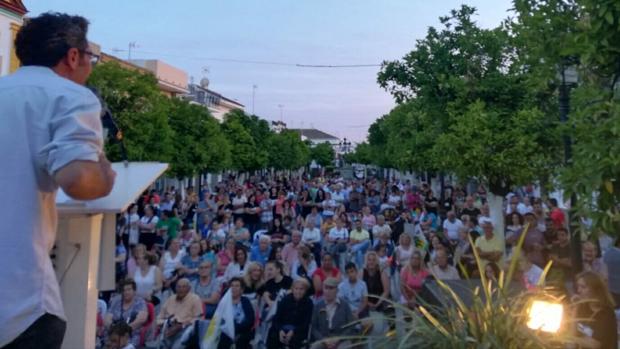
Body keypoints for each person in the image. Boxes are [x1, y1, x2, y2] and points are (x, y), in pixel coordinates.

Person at [0, 15, 119, 346]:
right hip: (19, 305)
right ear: (72, 56)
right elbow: (79, 180)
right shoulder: (69, 96)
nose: (90, 67)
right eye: (90, 58)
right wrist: (105, 175)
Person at [569, 271, 618, 349]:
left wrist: (573, 339)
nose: (579, 290)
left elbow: (595, 344)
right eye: (578, 286)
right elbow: (572, 334)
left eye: (583, 287)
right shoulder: (583, 307)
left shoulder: (606, 313)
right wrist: (575, 309)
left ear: (595, 290)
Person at [156, 278, 203, 348]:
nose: (181, 289)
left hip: (184, 330)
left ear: (189, 288)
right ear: (175, 288)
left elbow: (199, 319)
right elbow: (159, 318)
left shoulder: (195, 299)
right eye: (178, 287)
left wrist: (181, 326)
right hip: (167, 329)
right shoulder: (171, 298)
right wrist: (166, 323)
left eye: (184, 287)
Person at [268, 278, 314, 349]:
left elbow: (306, 323)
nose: (298, 291)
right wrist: (280, 330)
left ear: (305, 290)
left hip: (299, 330)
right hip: (283, 328)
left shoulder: (309, 303)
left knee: (295, 340)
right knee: (273, 335)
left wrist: (293, 331)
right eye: (296, 288)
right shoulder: (285, 300)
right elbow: (276, 318)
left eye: (301, 289)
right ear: (292, 289)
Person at [310, 277, 355, 349]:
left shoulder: (344, 305)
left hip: (341, 340)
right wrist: (323, 340)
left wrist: (339, 339)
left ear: (337, 290)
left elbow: (351, 326)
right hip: (324, 339)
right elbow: (314, 328)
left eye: (331, 288)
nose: (328, 291)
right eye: (326, 288)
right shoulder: (318, 305)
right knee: (314, 347)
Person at [104, 279, 147, 347]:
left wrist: (124, 331)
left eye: (129, 289)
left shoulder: (140, 302)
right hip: (113, 334)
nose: (126, 292)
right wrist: (114, 329)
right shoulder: (116, 300)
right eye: (124, 290)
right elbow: (107, 318)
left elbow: (141, 319)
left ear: (134, 291)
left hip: (130, 335)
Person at [217, 277, 256, 349]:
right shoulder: (224, 302)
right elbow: (218, 318)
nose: (234, 288)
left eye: (237, 286)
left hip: (242, 330)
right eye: (232, 285)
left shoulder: (245, 301)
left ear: (241, 289)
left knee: (242, 340)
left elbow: (250, 319)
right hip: (226, 331)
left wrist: (236, 328)